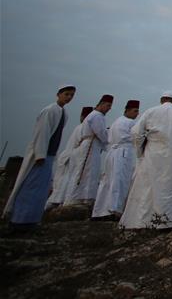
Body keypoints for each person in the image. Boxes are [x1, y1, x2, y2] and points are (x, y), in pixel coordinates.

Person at [4, 85, 74, 229]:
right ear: (59, 94)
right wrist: (40, 154)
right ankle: (19, 220)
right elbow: (42, 133)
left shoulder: (63, 113)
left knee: (41, 190)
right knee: (31, 187)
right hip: (40, 156)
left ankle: (32, 219)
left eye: (71, 95)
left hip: (49, 155)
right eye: (66, 94)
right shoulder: (49, 111)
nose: (69, 98)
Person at [119, 91, 172, 229]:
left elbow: (136, 133)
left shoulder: (150, 111)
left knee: (147, 187)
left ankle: (141, 222)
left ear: (162, 99)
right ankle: (166, 222)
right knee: (168, 188)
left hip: (152, 154)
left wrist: (140, 150)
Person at [92, 100, 140, 219]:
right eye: (135, 111)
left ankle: (99, 211)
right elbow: (136, 137)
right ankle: (114, 209)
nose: (136, 114)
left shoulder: (117, 121)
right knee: (119, 180)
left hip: (112, 152)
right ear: (127, 110)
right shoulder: (130, 122)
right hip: (123, 152)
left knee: (107, 181)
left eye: (138, 111)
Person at [65, 94, 113, 205]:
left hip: (92, 145)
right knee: (85, 172)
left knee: (91, 172)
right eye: (108, 105)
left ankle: (84, 198)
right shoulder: (97, 116)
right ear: (101, 104)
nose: (109, 108)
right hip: (90, 146)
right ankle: (78, 198)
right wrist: (108, 140)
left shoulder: (95, 115)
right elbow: (101, 133)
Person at [46, 105, 92, 208]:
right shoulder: (83, 128)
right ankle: (54, 203)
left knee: (63, 182)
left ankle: (58, 202)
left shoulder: (81, 128)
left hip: (70, 157)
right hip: (71, 158)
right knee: (64, 183)